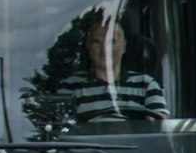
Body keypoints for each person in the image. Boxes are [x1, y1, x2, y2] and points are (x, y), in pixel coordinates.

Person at [38, 8, 167, 133]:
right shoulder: (70, 87)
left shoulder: (147, 85)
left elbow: (157, 131)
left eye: (112, 42)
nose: (105, 49)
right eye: (97, 42)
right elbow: (63, 133)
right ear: (88, 47)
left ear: (123, 46)